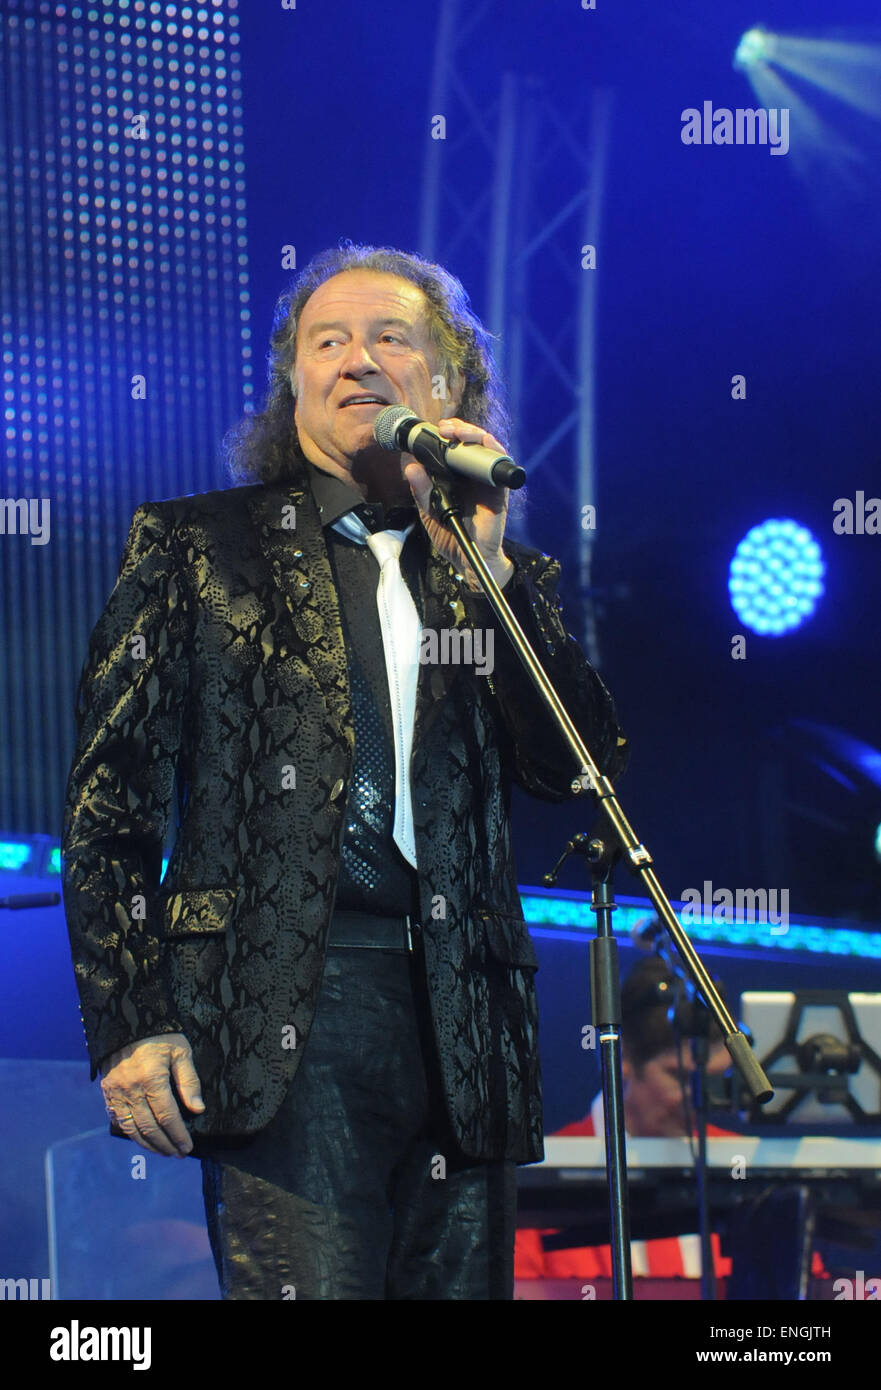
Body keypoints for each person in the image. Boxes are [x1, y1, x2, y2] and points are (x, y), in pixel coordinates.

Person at [61, 243, 628, 1301]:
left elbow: (576, 767)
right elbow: (109, 805)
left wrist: (490, 573)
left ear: (448, 382)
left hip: (465, 1019)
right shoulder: (198, 550)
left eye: (389, 337)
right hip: (288, 1007)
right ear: (294, 380)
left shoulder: (493, 572)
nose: (356, 358)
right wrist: (133, 1019)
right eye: (328, 340)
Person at [515, 955, 736, 1282]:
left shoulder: (743, 1163)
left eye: (713, 1079)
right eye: (680, 1078)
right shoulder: (536, 1172)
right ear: (622, 1057)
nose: (700, 1098)